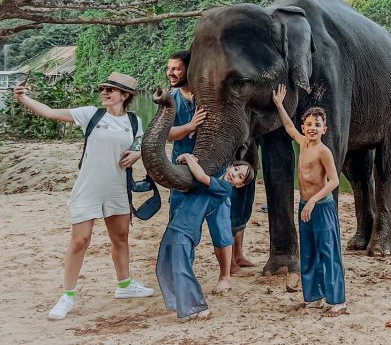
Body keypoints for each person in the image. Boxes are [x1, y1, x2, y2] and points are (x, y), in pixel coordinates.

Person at [14, 72, 155, 320]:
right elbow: (50, 112)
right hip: (88, 188)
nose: (105, 92)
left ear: (125, 95)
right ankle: (67, 296)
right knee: (80, 240)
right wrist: (24, 98)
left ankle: (125, 285)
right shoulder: (91, 114)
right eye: (103, 88)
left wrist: (137, 153)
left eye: (111, 90)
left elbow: (139, 144)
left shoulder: (134, 121)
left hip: (118, 187)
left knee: (121, 238)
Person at [166, 51, 258, 277]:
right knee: (180, 222)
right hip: (182, 172)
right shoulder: (170, 100)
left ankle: (227, 272)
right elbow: (166, 134)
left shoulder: (207, 97)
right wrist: (189, 127)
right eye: (169, 68)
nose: (171, 72)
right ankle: (180, 269)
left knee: (221, 224)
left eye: (177, 68)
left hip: (215, 169)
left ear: (191, 70)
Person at [271, 84, 346, 315]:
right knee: (309, 252)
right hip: (305, 207)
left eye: (318, 125)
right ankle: (315, 296)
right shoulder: (303, 142)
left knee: (328, 252)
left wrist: (314, 201)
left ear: (325, 129)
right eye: (309, 124)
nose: (313, 128)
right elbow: (288, 126)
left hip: (321, 208)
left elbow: (334, 181)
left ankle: (338, 300)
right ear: (305, 127)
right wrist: (279, 105)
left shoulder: (324, 151)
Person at [155, 155, 254, 321]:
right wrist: (181, 164)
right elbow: (189, 183)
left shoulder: (223, 188)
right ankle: (178, 302)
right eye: (235, 169)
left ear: (239, 185)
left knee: (181, 268)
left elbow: (201, 176)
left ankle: (199, 308)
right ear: (230, 166)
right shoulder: (210, 181)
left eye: (239, 176)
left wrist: (187, 156)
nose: (234, 174)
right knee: (164, 265)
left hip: (187, 229)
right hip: (175, 224)